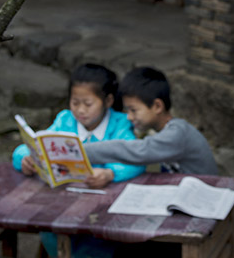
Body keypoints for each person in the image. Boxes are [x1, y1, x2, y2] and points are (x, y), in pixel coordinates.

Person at [11, 63, 144, 258]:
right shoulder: (65, 120)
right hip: (64, 202)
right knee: (49, 230)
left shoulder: (121, 124)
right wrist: (25, 158)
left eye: (88, 104)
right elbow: (32, 144)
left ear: (107, 100)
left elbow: (135, 158)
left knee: (99, 242)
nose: (80, 110)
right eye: (75, 103)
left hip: (103, 208)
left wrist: (110, 173)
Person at [83, 66, 218, 183]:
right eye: (127, 110)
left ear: (157, 106)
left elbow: (137, 151)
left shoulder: (177, 134)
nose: (129, 117)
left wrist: (81, 152)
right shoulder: (165, 131)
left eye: (133, 110)